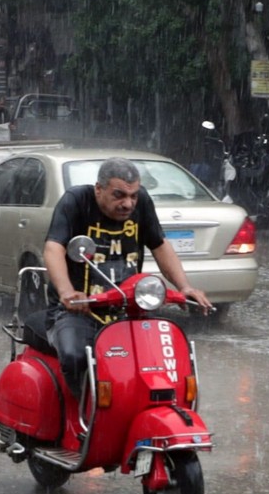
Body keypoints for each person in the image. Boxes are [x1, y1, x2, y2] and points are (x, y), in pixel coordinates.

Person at [44, 157, 213, 397]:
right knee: (75, 356)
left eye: (133, 196)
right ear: (99, 189)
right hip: (78, 311)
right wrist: (66, 292)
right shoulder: (76, 201)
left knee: (162, 361)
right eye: (119, 195)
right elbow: (54, 248)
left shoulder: (142, 202)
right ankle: (87, 420)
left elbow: (160, 245)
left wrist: (185, 287)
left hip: (129, 309)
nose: (128, 203)